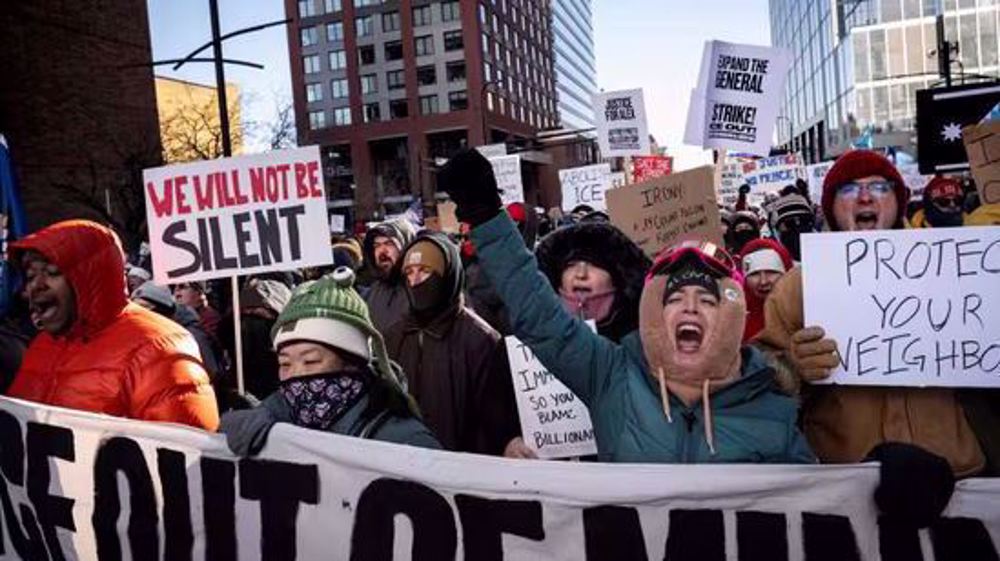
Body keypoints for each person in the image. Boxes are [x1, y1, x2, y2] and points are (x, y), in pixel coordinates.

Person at [437, 149, 814, 463]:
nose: (690, 308)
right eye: (674, 298)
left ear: (732, 317)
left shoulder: (775, 412)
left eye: (706, 299)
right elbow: (537, 312)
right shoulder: (611, 376)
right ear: (654, 313)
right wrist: (487, 216)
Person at [756, 150, 999, 477]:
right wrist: (793, 366)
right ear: (831, 206)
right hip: (844, 477)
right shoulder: (797, 286)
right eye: (848, 189)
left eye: (880, 187)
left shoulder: (958, 267)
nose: (865, 197)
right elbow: (759, 377)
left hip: (960, 472)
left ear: (898, 200)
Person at [8, 220, 219, 429]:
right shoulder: (42, 346)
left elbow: (184, 444)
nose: (36, 285)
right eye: (30, 276)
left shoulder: (158, 347)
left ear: (89, 276)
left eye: (52, 272)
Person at [219, 268, 440, 456]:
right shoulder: (277, 418)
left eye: (310, 361)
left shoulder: (405, 442)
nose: (295, 374)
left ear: (353, 363)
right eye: (285, 363)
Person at [384, 232, 519, 455]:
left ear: (447, 276)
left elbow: (493, 419)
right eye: (409, 272)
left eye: (424, 270)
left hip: (461, 467)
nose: (415, 281)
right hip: (405, 463)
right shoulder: (393, 337)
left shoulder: (481, 340)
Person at [534, 219, 651, 343]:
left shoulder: (644, 329)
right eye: (571, 265)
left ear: (617, 276)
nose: (581, 274)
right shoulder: (535, 325)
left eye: (594, 265)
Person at [131, 281, 223, 379]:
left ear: (162, 311)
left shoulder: (191, 336)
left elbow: (211, 373)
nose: (140, 317)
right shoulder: (146, 336)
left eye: (145, 310)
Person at [361, 218, 417, 333]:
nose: (382, 251)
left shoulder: (420, 288)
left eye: (389, 244)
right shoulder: (371, 294)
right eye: (376, 246)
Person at [739, 239, 793, 343]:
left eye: (771, 272)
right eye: (754, 274)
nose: (763, 281)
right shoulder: (736, 318)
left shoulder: (803, 311)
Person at [767, 193, 815, 262]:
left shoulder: (824, 247)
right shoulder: (770, 257)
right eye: (789, 223)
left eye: (803, 221)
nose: (797, 227)